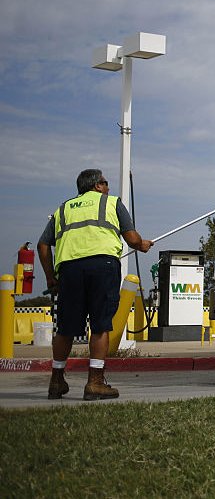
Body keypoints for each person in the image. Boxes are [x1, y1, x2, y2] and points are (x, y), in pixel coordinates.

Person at [37, 169, 153, 400]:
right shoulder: (112, 203)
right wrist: (142, 245)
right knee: (100, 325)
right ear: (97, 185)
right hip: (103, 265)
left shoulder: (63, 209)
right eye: (105, 182)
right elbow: (131, 239)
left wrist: (51, 278)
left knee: (66, 328)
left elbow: (42, 245)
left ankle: (56, 381)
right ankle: (95, 382)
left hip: (69, 270)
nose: (108, 187)